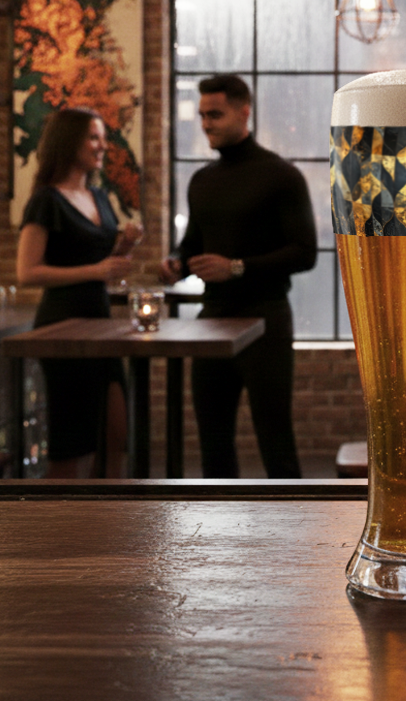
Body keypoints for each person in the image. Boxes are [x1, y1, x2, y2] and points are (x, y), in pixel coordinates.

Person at [160, 74, 317, 478]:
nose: (206, 123)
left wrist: (236, 267)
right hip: (212, 321)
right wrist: (176, 262)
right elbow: (192, 242)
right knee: (212, 444)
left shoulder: (281, 176)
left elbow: (305, 253)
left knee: (275, 441)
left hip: (265, 321)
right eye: (201, 115)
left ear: (244, 111)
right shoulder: (203, 180)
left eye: (216, 114)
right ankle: (218, 536)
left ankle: (293, 537)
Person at [17, 108, 142, 478]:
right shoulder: (46, 200)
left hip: (100, 325)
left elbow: (102, 266)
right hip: (63, 327)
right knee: (72, 444)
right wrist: (98, 270)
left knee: (115, 435)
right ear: (68, 141)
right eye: (93, 137)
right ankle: (60, 531)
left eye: (102, 136)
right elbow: (28, 272)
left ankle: (108, 528)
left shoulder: (100, 197)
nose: (103, 145)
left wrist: (125, 248)